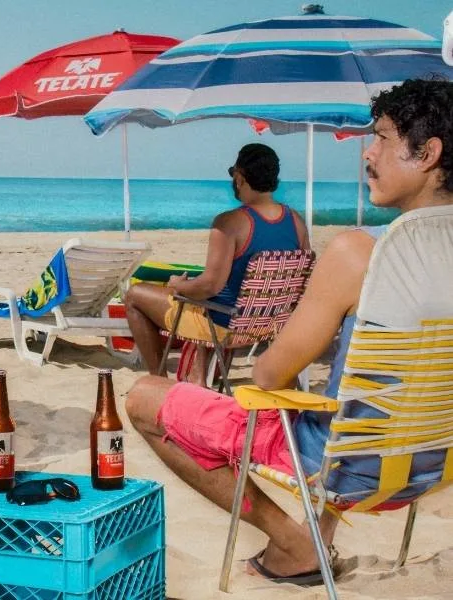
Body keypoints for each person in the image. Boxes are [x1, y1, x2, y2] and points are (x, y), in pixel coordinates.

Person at [125, 79, 453, 585]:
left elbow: (269, 371)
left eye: (383, 138)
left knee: (145, 397)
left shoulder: (359, 255)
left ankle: (292, 541)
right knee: (343, 406)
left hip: (348, 467)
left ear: (427, 153)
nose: (368, 152)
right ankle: (309, 539)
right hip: (433, 463)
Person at [124, 143, 309, 384]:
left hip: (224, 325)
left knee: (135, 296)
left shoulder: (229, 222)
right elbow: (303, 278)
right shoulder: (295, 220)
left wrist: (177, 286)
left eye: (234, 174)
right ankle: (198, 379)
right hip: (269, 324)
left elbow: (209, 285)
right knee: (209, 301)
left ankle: (159, 381)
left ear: (240, 177)